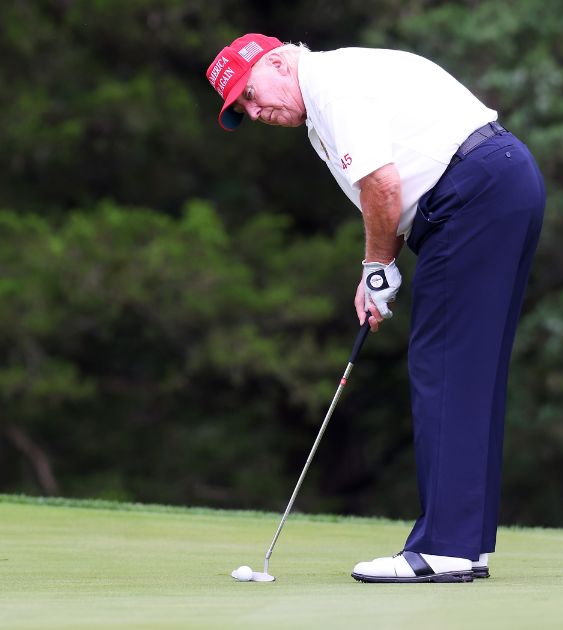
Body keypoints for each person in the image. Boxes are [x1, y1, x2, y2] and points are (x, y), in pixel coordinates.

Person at [205, 34, 545, 583]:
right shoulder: (324, 100)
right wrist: (380, 268)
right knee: (470, 372)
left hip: (472, 194)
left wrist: (377, 265)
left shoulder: (331, 88)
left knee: (444, 367)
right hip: (499, 183)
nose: (254, 110)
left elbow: (383, 186)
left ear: (275, 60)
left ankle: (445, 548)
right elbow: (388, 194)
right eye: (241, 110)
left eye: (249, 93)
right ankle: (467, 544)